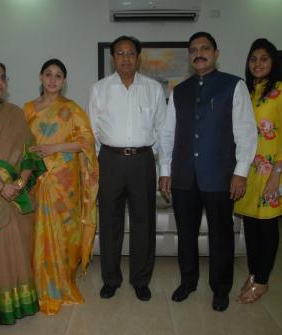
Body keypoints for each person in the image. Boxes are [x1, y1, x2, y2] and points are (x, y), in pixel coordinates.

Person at [158, 32, 257, 311]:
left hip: (219, 175)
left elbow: (246, 132)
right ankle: (188, 282)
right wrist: (165, 170)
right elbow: (167, 134)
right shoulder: (180, 90)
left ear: (216, 53)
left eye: (204, 48)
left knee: (220, 234)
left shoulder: (233, 86)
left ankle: (220, 288)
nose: (198, 53)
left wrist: (240, 172)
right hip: (184, 176)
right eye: (193, 50)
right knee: (186, 233)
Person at [88, 35, 167, 301]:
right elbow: (92, 130)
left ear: (138, 57)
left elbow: (162, 129)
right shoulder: (99, 89)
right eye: (120, 53)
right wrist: (101, 162)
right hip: (109, 160)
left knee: (144, 222)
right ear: (113, 58)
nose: (125, 58)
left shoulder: (154, 89)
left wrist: (148, 155)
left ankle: (140, 280)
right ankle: (111, 279)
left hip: (143, 161)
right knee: (110, 223)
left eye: (130, 53)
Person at [0, 62, 46, 324]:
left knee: (18, 246)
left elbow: (29, 151)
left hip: (15, 192)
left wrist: (19, 185)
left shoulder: (14, 113)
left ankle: (21, 301)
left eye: (3, 77)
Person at [24, 58, 98, 315]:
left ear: (64, 81)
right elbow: (21, 143)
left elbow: (87, 142)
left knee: (64, 232)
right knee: (38, 233)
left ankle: (62, 282)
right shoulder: (28, 110)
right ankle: (40, 286)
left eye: (58, 76)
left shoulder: (72, 109)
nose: (53, 80)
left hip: (63, 183)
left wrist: (54, 148)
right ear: (41, 77)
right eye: (48, 74)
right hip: (37, 179)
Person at [234, 38, 282, 304]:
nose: (257, 64)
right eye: (253, 59)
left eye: (263, 59)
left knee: (267, 227)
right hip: (248, 169)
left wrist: (276, 175)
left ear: (273, 62)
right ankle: (253, 273)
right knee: (250, 226)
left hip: (272, 170)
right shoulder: (247, 93)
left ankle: (262, 281)